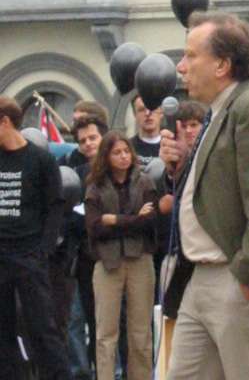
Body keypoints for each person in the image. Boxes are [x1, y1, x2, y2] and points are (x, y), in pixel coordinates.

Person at [160, 11, 249, 380]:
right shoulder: (220, 112)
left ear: (222, 65)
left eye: (191, 56)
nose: (181, 66)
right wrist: (179, 170)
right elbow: (214, 192)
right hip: (199, 278)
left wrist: (248, 279)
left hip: (234, 277)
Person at [0, 96, 73, 379]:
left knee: (42, 328)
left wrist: (43, 249)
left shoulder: (41, 160)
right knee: (3, 332)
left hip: (29, 256)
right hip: (1, 256)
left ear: (5, 121)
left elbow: (55, 206)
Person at [85, 131, 157, 380]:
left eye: (126, 151)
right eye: (117, 152)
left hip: (140, 259)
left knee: (141, 333)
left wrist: (113, 220)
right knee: (105, 333)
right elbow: (94, 228)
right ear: (106, 156)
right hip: (107, 262)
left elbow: (149, 223)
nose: (124, 156)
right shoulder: (95, 186)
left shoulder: (145, 182)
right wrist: (134, 218)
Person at [70, 115, 109, 375]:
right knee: (87, 321)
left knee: (109, 325)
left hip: (113, 256)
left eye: (92, 138)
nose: (88, 144)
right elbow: (73, 218)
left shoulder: (117, 169)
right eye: (82, 140)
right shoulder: (77, 174)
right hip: (85, 257)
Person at [130, 95, 163, 170]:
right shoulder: (128, 148)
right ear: (135, 115)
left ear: (161, 112)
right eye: (141, 110)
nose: (147, 113)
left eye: (152, 108)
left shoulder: (171, 146)